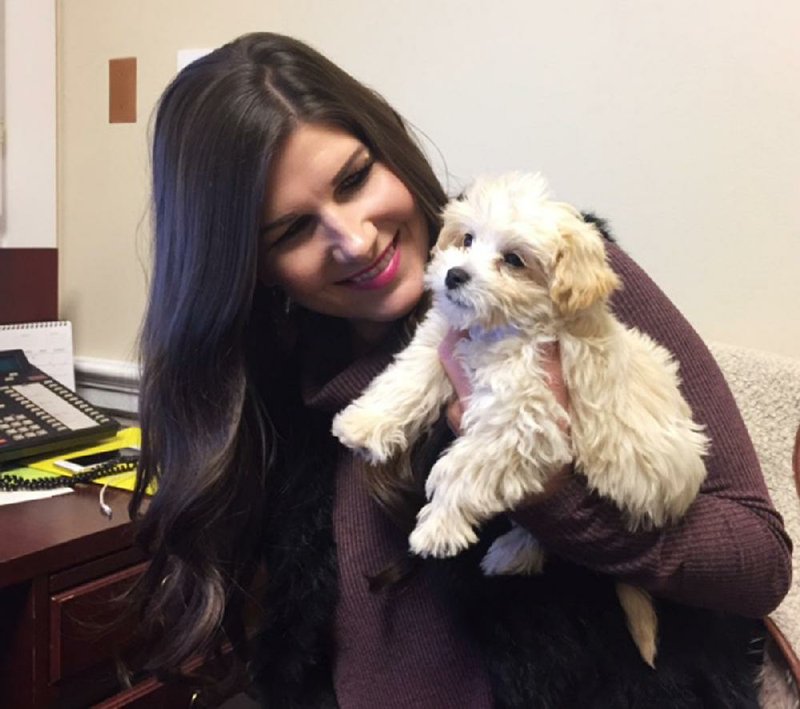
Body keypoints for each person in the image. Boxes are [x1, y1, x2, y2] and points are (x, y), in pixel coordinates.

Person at [130, 32, 792, 708]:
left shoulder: (563, 288)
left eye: (355, 179)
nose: (354, 239)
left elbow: (759, 560)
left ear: (389, 149)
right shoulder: (277, 394)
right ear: (252, 268)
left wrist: (553, 491)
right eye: (293, 231)